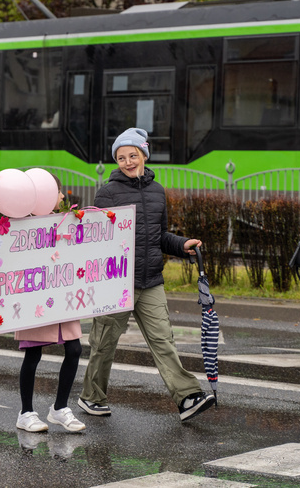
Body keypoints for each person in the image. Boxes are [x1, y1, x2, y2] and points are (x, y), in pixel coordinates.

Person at [77, 127, 214, 423]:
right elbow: (92, 237)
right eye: (121, 157)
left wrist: (183, 245)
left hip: (151, 280)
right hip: (116, 282)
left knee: (163, 341)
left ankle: (187, 396)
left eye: (133, 155)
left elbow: (160, 236)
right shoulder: (107, 193)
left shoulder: (157, 192)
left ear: (143, 155)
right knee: (104, 343)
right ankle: (92, 397)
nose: (127, 161)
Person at [15, 174, 85, 434]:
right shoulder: (22, 225)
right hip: (36, 297)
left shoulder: (67, 221)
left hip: (63, 293)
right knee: (33, 354)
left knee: (75, 349)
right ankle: (25, 412)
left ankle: (60, 408)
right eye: (57, 191)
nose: (63, 197)